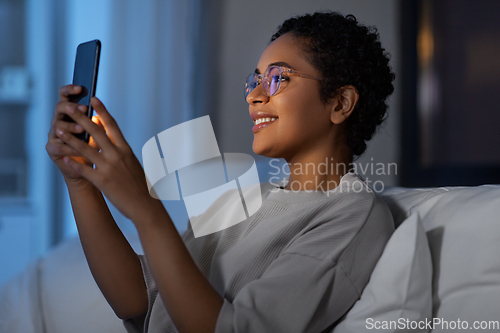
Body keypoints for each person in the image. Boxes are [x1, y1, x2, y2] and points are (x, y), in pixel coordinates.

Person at [46, 11, 395, 333]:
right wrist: (80, 182)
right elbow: (139, 299)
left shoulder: (353, 213)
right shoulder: (242, 198)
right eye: (255, 80)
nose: (254, 96)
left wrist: (145, 207)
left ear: (340, 103)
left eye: (278, 78)